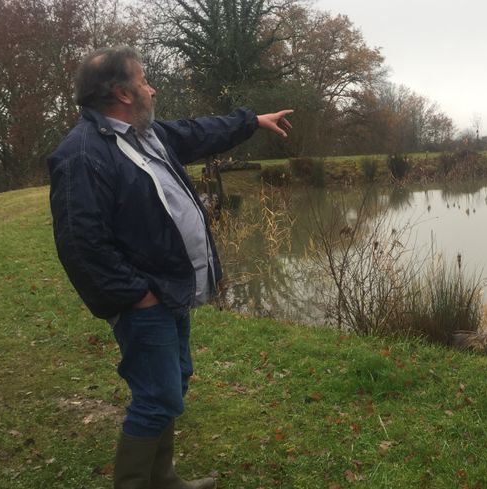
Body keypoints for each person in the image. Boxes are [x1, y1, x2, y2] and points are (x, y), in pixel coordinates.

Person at [48, 46, 292, 489]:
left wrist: (251, 121)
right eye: (143, 81)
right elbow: (80, 245)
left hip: (170, 289)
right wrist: (135, 296)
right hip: (145, 299)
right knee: (157, 397)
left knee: (173, 381)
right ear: (122, 92)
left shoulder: (146, 134)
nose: (151, 87)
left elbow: (199, 132)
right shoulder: (82, 155)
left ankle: (164, 480)